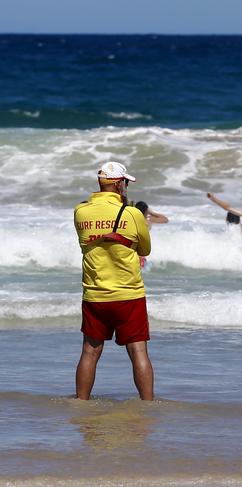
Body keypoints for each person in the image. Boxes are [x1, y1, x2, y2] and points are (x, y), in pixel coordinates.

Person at [73, 161, 154, 400]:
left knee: (89, 351)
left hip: (95, 294)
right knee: (138, 351)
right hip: (128, 294)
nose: (126, 186)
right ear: (119, 184)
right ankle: (147, 405)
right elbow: (145, 249)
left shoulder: (81, 211)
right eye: (125, 182)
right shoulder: (131, 213)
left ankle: (81, 403)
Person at [134, 201, 168, 269]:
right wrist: (152, 212)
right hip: (142, 251)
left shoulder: (133, 219)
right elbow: (165, 219)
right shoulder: (148, 220)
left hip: (133, 250)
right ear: (146, 211)